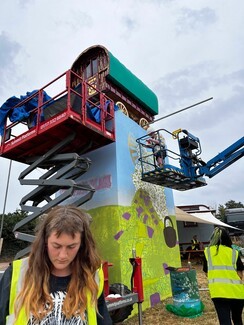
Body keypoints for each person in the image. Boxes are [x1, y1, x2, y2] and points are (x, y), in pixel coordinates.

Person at [0, 205, 112, 325]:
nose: (63, 255)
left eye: (71, 246)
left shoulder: (92, 275)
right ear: (45, 241)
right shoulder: (17, 273)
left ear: (82, 244)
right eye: (56, 246)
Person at [203, 226, 244, 325]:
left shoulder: (207, 252)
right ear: (227, 238)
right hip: (236, 293)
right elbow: (240, 274)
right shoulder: (234, 252)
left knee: (224, 321)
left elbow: (206, 272)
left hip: (218, 292)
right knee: (237, 319)